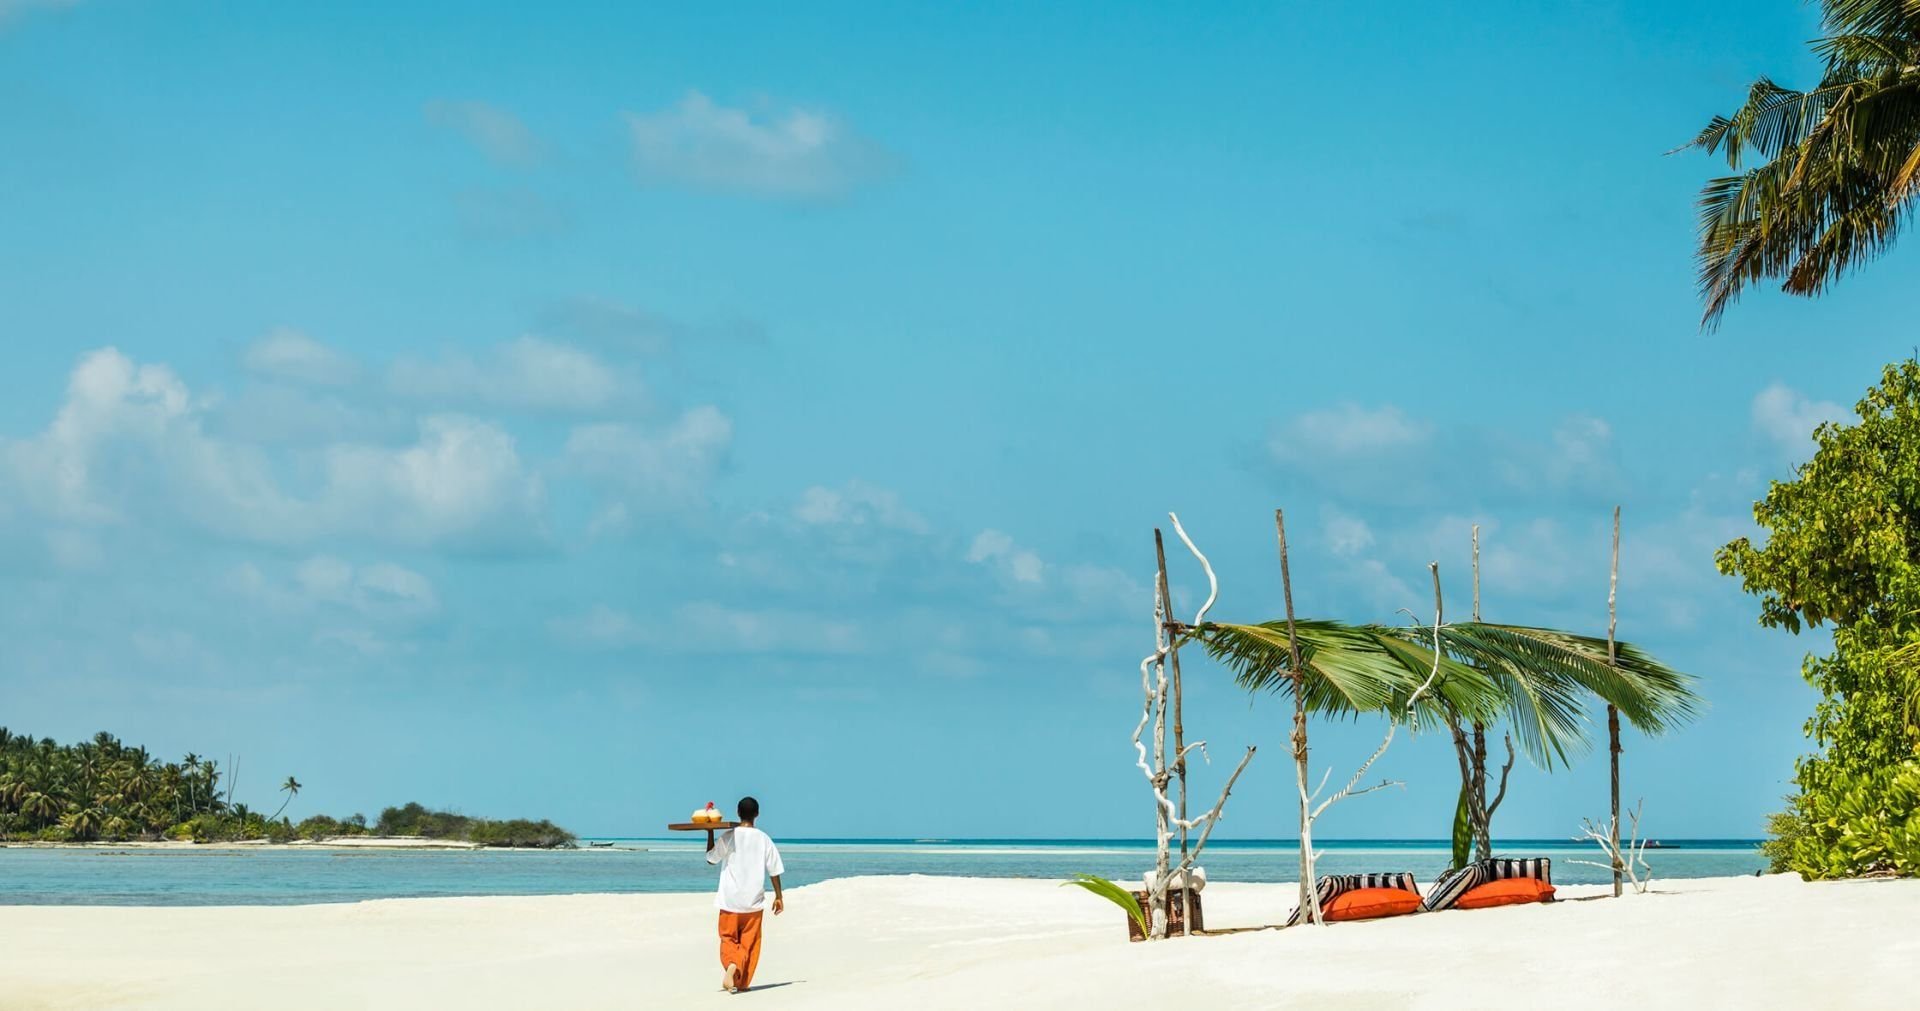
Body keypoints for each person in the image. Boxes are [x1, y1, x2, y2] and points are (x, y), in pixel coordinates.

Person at [705, 795, 785, 994]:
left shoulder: (729, 836)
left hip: (730, 901)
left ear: (738, 813)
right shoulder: (764, 839)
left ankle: (732, 965)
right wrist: (779, 896)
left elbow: (711, 859)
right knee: (749, 944)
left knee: (728, 939)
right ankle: (740, 982)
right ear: (757, 814)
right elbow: (774, 870)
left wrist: (710, 832)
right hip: (753, 903)